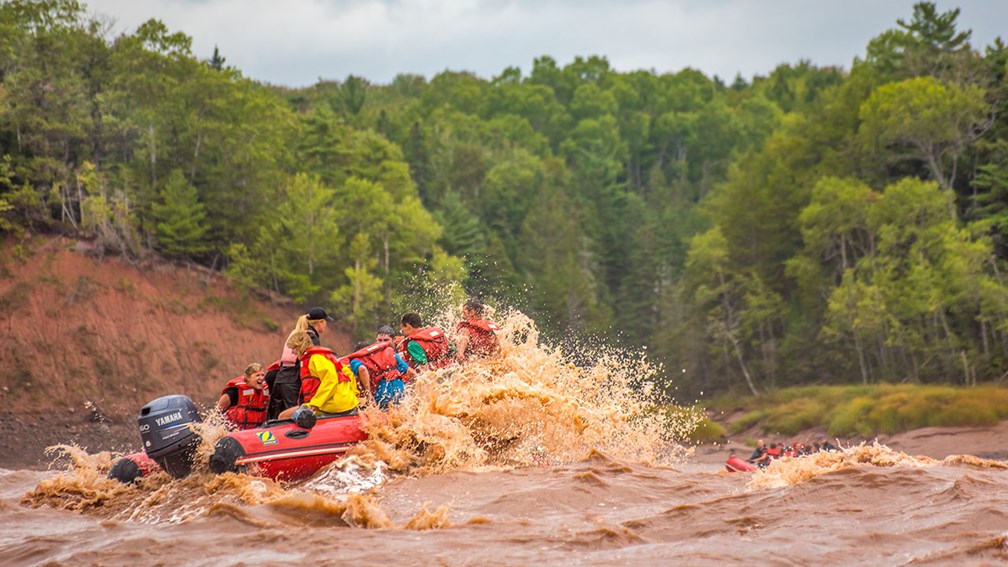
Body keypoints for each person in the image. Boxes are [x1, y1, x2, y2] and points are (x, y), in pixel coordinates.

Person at [267, 307, 336, 420]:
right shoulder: (311, 338)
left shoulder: (296, 333)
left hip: (280, 380)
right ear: (320, 322)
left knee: (274, 419)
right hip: (292, 384)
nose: (326, 325)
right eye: (325, 322)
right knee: (294, 418)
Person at [278, 330, 359, 421]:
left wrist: (314, 404)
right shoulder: (323, 357)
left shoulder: (315, 359)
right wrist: (355, 394)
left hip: (333, 405)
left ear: (299, 346)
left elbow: (331, 380)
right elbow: (348, 373)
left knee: (283, 416)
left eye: (293, 348)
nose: (293, 353)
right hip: (348, 403)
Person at [345, 326, 417, 410]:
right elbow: (412, 373)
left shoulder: (358, 359)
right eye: (380, 340)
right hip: (400, 392)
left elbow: (362, 369)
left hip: (382, 396)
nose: (382, 343)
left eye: (386, 340)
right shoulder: (391, 353)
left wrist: (369, 395)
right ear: (375, 341)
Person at [217, 362, 270, 430]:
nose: (261, 378)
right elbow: (217, 411)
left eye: (263, 375)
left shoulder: (265, 391)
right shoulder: (234, 391)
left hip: (256, 433)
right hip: (235, 432)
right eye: (257, 375)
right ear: (248, 378)